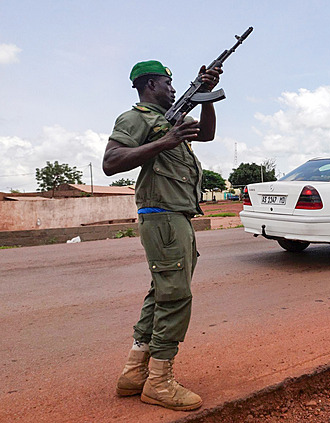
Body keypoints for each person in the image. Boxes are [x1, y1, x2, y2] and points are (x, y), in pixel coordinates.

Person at [102, 60, 222, 411]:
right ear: (150, 84)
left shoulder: (173, 117)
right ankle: (159, 382)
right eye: (168, 83)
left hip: (176, 215)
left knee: (163, 291)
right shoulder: (135, 118)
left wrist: (206, 96)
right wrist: (164, 141)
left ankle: (134, 373)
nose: (172, 88)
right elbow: (111, 161)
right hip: (163, 215)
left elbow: (208, 135)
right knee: (176, 297)